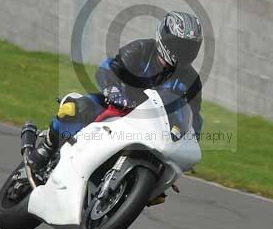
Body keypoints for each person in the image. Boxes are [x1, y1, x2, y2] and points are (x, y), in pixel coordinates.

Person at [24, 11, 204, 171]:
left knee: (165, 169)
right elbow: (108, 69)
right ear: (164, 38)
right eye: (180, 45)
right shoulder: (141, 49)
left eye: (189, 48)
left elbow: (194, 117)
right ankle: (46, 147)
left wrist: (189, 143)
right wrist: (113, 91)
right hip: (120, 104)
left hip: (152, 130)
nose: (184, 52)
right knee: (75, 108)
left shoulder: (191, 80)